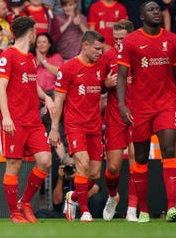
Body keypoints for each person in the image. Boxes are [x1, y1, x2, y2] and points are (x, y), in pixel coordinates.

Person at [117, 1, 176, 223]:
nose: (156, 12)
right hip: (139, 107)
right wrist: (122, 105)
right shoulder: (131, 41)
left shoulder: (173, 40)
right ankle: (143, 209)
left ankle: (171, 208)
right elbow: (122, 76)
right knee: (140, 158)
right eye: (151, 10)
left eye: (158, 9)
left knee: (169, 151)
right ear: (141, 16)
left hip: (166, 105)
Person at [0, 17, 54, 223]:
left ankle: (25, 201)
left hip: (33, 121)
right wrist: (7, 117)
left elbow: (31, 83)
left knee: (45, 161)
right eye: (35, 31)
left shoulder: (31, 58)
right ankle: (14, 213)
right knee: (14, 165)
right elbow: (1, 86)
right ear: (31, 32)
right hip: (15, 120)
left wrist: (45, 96)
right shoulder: (8, 55)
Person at [48, 30, 106, 222]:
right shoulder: (68, 68)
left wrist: (109, 83)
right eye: (97, 49)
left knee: (95, 174)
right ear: (86, 45)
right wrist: (55, 128)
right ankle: (85, 211)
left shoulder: (100, 67)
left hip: (95, 127)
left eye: (102, 49)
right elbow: (59, 100)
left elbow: (102, 89)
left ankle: (72, 197)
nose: (100, 52)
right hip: (75, 126)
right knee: (82, 163)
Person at [97, 19, 135, 221]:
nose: (119, 43)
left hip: (138, 115)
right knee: (112, 168)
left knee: (137, 163)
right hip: (114, 116)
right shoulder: (108, 56)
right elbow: (98, 86)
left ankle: (132, 210)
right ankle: (113, 196)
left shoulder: (140, 54)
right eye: (116, 39)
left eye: (123, 38)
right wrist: (106, 83)